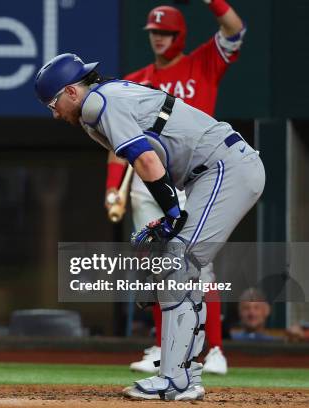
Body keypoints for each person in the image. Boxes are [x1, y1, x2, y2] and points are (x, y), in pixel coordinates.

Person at [34, 53, 264, 400]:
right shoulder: (100, 104)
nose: (53, 113)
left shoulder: (97, 103)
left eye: (53, 103)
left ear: (70, 91)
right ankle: (185, 374)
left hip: (224, 167)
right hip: (212, 172)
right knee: (177, 264)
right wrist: (170, 215)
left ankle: (176, 379)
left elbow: (146, 159)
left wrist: (172, 214)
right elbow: (145, 155)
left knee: (175, 262)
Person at [105, 0, 246, 376]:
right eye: (154, 32)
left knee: (199, 264)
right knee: (155, 263)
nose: (159, 39)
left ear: (179, 34)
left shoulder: (201, 63)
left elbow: (234, 31)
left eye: (165, 32)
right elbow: (118, 145)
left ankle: (214, 349)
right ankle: (160, 344)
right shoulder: (135, 81)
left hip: (191, 176)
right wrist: (112, 188)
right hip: (146, 184)